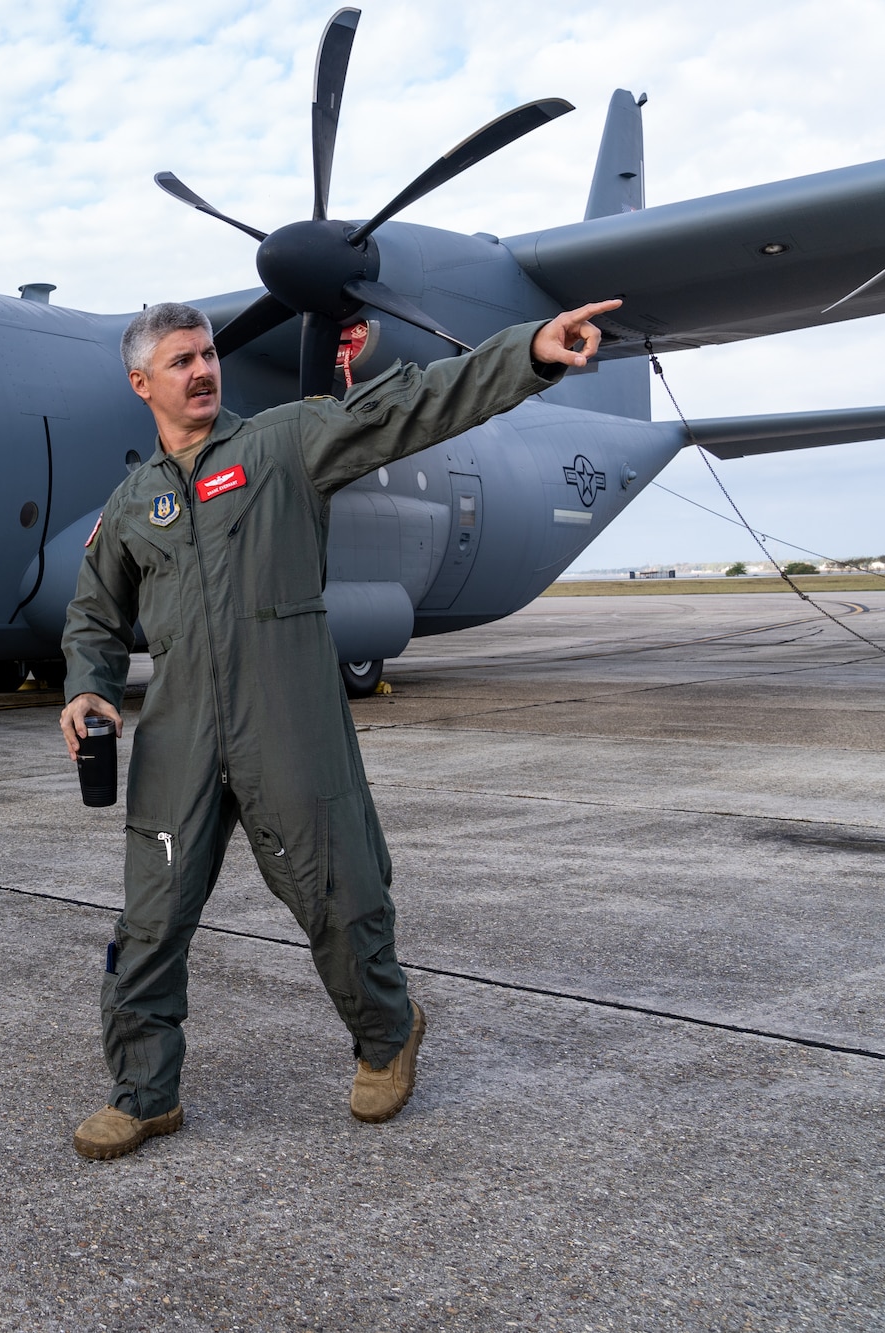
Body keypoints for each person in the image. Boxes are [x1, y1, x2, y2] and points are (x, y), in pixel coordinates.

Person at [59, 297, 623, 1160]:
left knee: (335, 892)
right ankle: (144, 1092)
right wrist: (87, 688)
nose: (204, 370)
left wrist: (529, 355)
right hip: (180, 733)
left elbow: (406, 406)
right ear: (142, 383)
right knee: (150, 917)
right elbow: (93, 614)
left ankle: (387, 1032)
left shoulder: (282, 443)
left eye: (207, 354)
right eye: (182, 361)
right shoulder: (135, 503)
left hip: (288, 714)